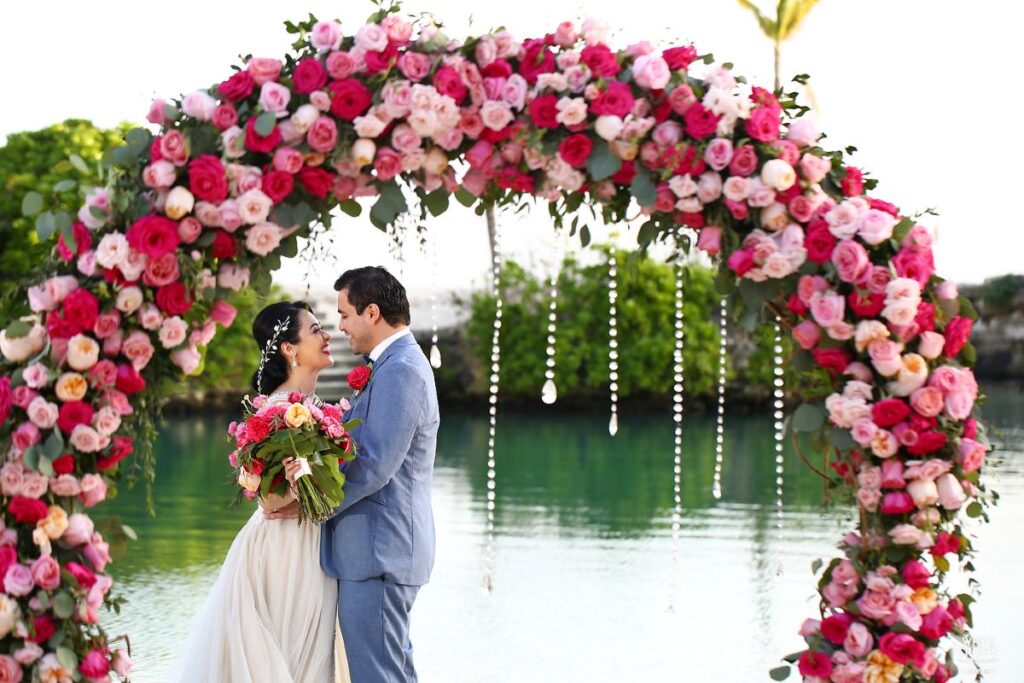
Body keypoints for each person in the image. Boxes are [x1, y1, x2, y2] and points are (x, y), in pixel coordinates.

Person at [267, 266, 439, 683]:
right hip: (375, 553)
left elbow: (374, 463)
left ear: (373, 313)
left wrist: (312, 505)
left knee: (376, 676)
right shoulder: (391, 365)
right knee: (391, 672)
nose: (339, 326)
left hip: (379, 551)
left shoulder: (400, 369)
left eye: (345, 314)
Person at [177, 300, 350, 682]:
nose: (327, 336)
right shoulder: (271, 413)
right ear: (290, 348)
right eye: (316, 330)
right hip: (283, 551)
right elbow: (270, 501)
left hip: (312, 544)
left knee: (314, 658)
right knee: (286, 654)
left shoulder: (322, 410)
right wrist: (300, 480)